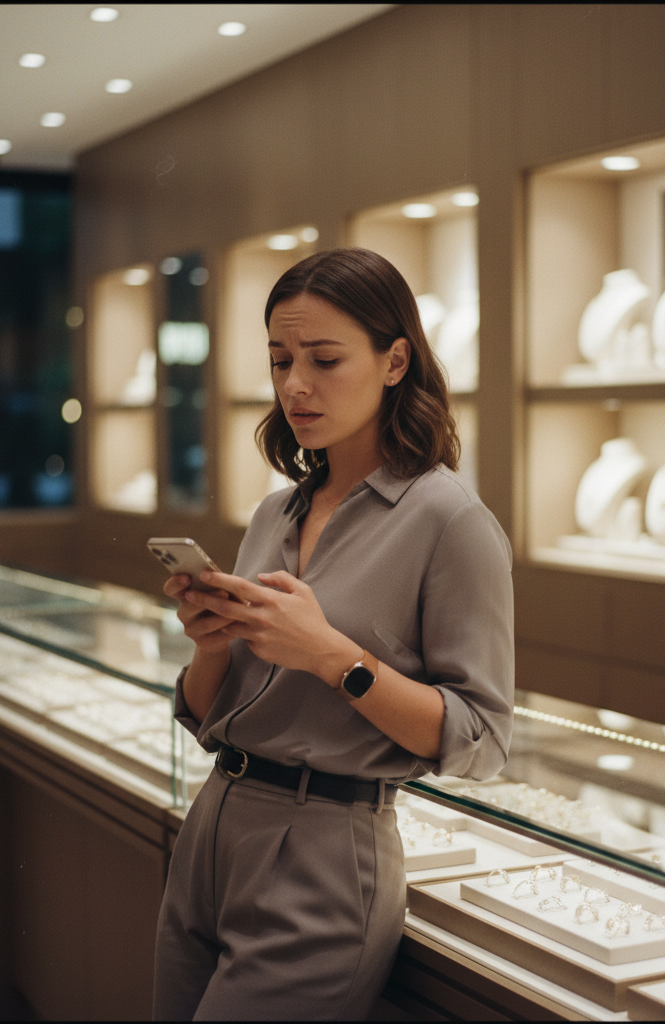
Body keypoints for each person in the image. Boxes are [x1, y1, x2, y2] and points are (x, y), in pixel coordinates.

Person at [152, 247, 514, 1021]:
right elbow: (206, 713)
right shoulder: (273, 514)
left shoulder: (451, 522)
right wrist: (211, 642)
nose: (295, 385)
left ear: (394, 362)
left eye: (323, 359)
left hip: (324, 853)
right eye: (281, 360)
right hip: (214, 826)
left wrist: (334, 658)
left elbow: (481, 740)